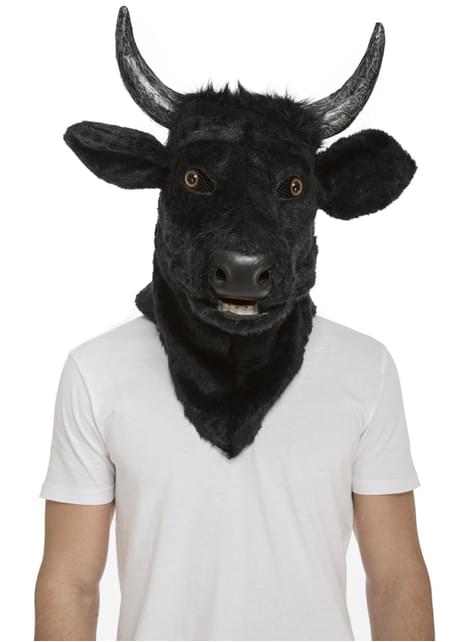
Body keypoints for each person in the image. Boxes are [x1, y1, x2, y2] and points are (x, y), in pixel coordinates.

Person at [35, 7, 434, 641]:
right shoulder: (96, 371)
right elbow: (71, 584)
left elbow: (394, 581)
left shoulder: (367, 369)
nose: (243, 251)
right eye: (197, 180)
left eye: (291, 189)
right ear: (161, 188)